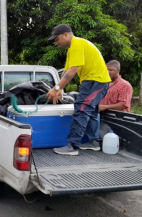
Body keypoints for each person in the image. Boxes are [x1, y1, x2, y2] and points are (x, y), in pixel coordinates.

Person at [46, 24, 111, 156]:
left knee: (81, 110)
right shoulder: (73, 48)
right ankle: (93, 142)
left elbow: (72, 72)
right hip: (92, 82)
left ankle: (72, 146)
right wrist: (59, 88)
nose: (56, 43)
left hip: (96, 82)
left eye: (57, 39)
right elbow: (66, 71)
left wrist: (57, 88)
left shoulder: (77, 44)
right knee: (91, 112)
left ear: (65, 34)